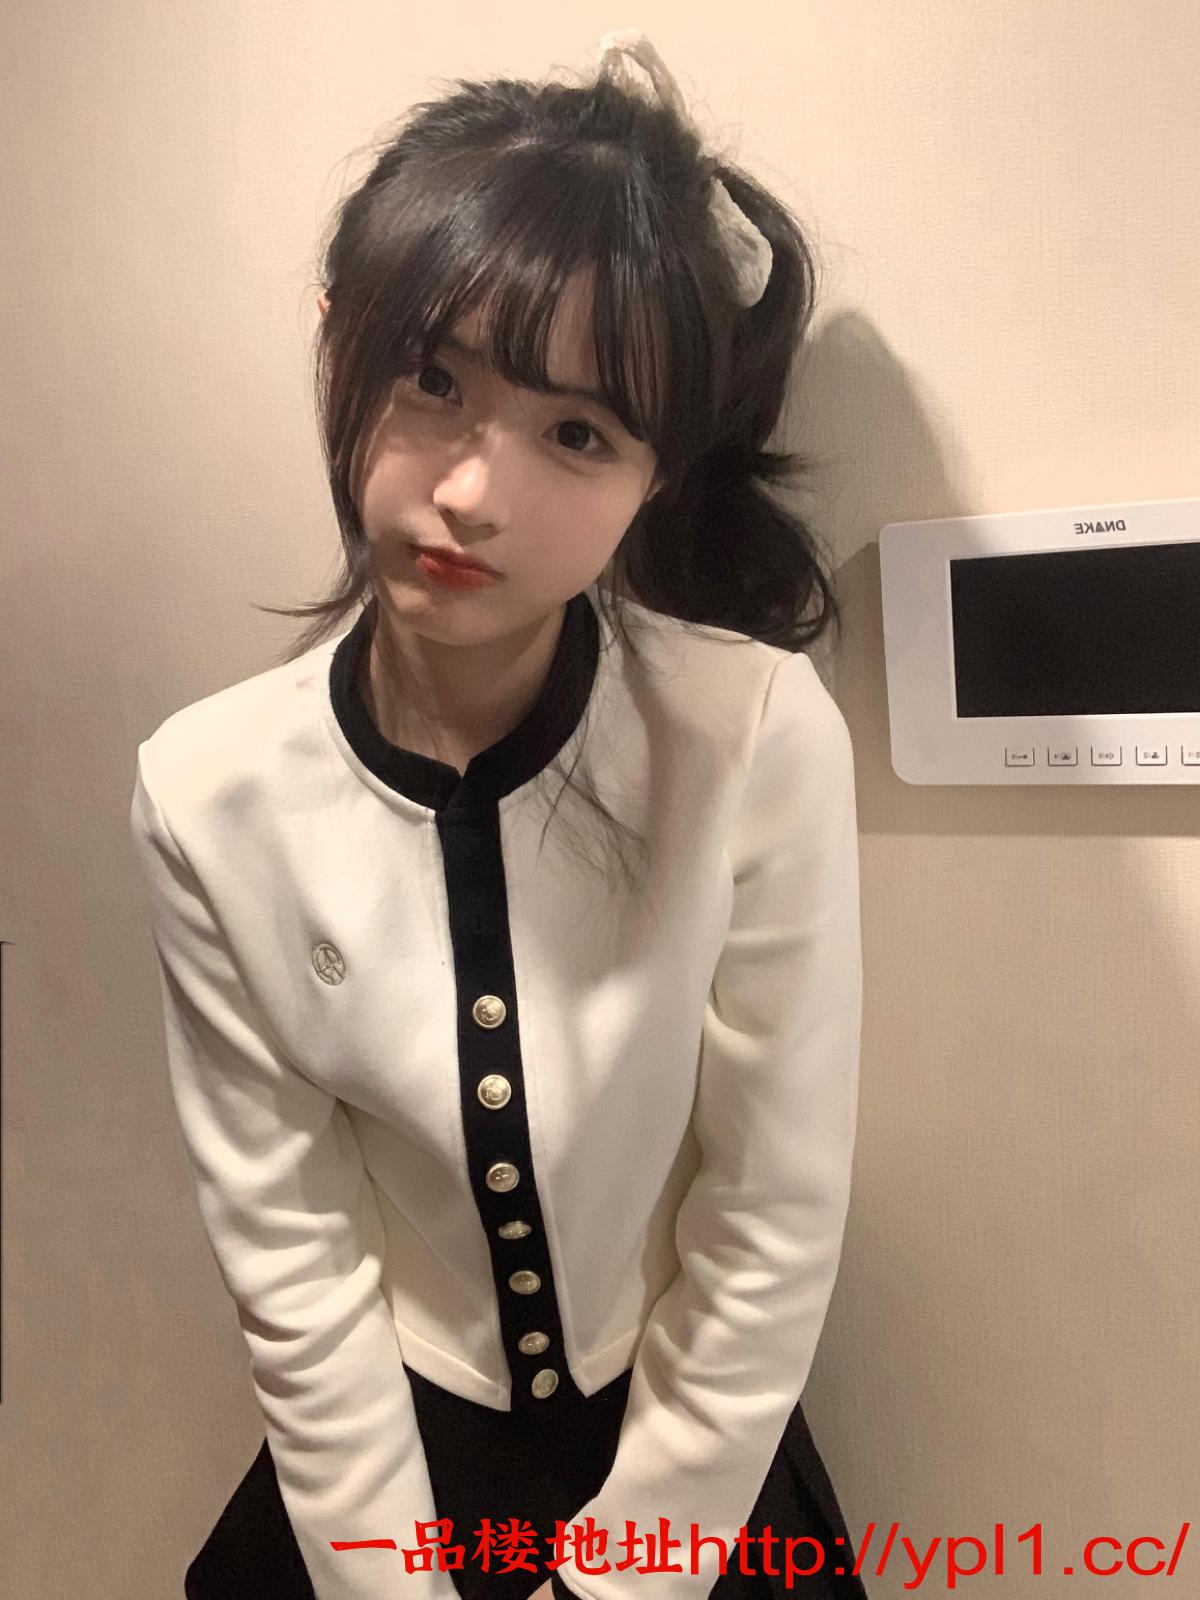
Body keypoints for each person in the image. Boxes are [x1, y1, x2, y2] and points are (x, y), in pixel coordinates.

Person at [128, 28, 867, 1600]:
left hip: (685, 1460)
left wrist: (626, 1575)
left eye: (577, 434)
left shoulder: (748, 739)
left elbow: (770, 1220)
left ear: (657, 476)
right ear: (338, 344)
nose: (472, 492)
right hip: (388, 1457)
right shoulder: (208, 791)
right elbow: (293, 1257)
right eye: (434, 381)